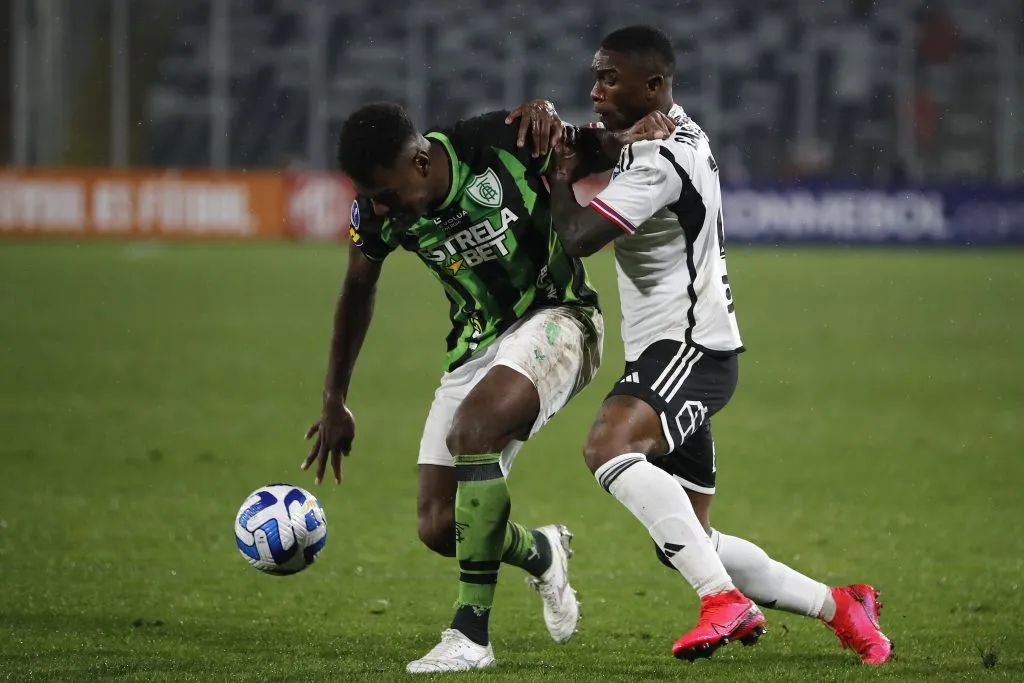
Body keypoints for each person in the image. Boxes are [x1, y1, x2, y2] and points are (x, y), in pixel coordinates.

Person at [511, 25, 894, 665]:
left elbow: (576, 237)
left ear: (654, 86)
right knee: (688, 537)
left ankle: (721, 600)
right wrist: (577, 139)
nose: (595, 89)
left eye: (610, 78)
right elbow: (602, 142)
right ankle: (842, 606)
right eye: (595, 76)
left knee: (609, 446)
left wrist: (558, 170)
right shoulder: (671, 129)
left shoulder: (662, 161)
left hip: (687, 349)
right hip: (682, 351)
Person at [301, 102, 665, 674]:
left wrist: (630, 135)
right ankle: (541, 550)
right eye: (370, 196)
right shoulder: (377, 213)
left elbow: (589, 149)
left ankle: (470, 635)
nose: (379, 207)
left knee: (473, 430)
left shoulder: (500, 141)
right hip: (475, 344)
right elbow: (357, 289)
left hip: (560, 318)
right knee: (441, 526)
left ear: (420, 162)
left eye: (386, 194)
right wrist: (334, 397)